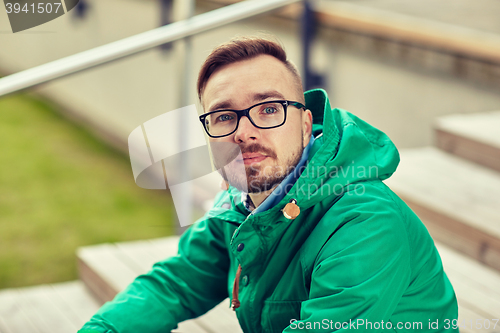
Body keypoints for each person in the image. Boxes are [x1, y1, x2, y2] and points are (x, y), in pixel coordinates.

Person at [78, 37, 458, 333]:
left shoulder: (366, 222)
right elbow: (175, 285)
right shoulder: (241, 204)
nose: (244, 132)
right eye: (224, 116)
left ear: (307, 124)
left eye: (269, 109)